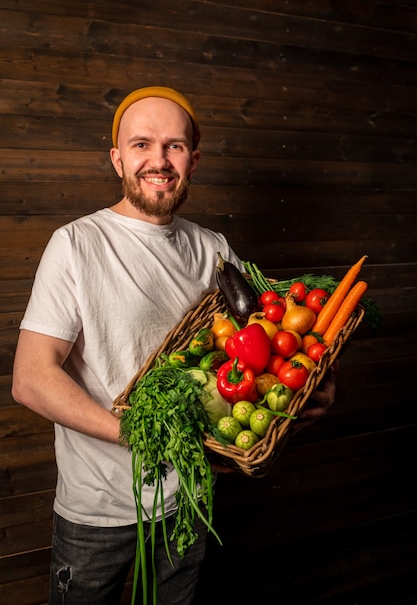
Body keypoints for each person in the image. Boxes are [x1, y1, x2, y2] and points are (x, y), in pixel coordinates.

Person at [12, 86, 336, 605]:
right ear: (117, 159)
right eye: (141, 145)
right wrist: (143, 436)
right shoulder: (77, 243)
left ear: (194, 160)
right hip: (101, 507)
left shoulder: (212, 247)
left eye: (174, 146)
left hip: (188, 500)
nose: (158, 161)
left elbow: (264, 343)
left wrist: (312, 389)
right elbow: (31, 379)